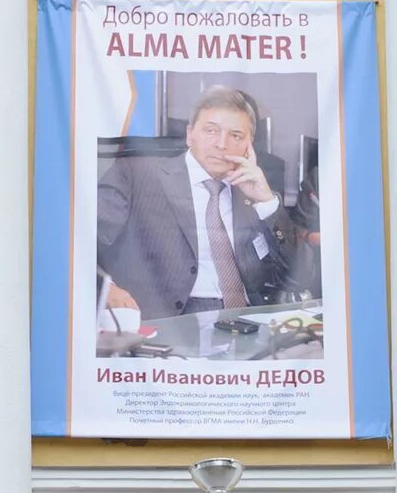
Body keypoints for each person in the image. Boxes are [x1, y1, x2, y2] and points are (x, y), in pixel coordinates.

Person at [95, 86, 308, 320]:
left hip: (247, 324)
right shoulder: (137, 174)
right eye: (211, 130)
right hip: (168, 325)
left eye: (235, 135)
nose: (221, 144)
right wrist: (106, 289)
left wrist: (267, 203)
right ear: (189, 134)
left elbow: (301, 276)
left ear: (249, 145)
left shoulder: (252, 192)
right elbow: (80, 241)